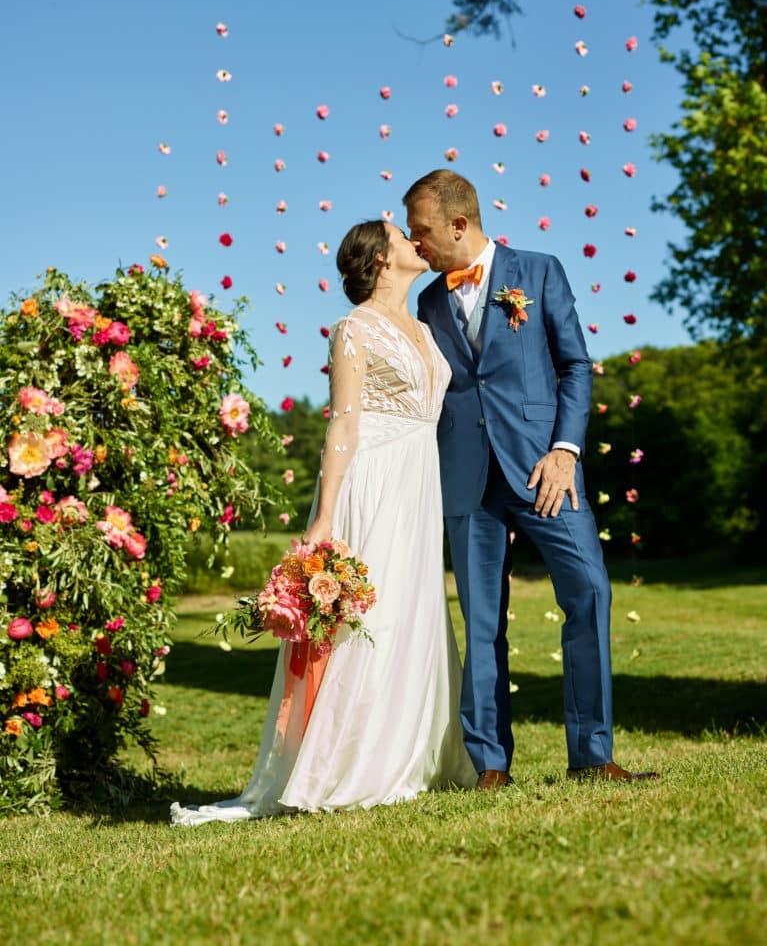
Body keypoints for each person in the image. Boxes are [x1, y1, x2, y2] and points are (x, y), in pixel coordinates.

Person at [170, 220, 475, 825]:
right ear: (381, 259)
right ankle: (350, 762)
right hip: (373, 481)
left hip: (419, 484)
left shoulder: (424, 325)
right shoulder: (353, 329)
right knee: (373, 615)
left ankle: (416, 752)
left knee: (415, 612)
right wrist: (328, 513)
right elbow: (344, 423)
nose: (417, 240)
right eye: (401, 235)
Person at [405, 169, 658, 786]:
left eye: (423, 232)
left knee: (589, 593)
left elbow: (575, 364)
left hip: (547, 470)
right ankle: (490, 763)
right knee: (483, 620)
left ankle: (593, 756)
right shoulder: (429, 301)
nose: (417, 246)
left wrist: (566, 450)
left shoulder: (540, 272)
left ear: (459, 225)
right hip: (468, 478)